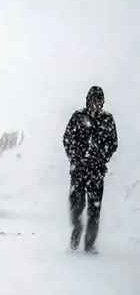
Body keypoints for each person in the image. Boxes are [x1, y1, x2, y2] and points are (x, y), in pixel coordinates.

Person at [62, 86, 118, 254]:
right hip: (78, 171)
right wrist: (74, 158)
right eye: (93, 100)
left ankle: (90, 244)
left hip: (96, 172)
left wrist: (102, 159)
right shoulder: (78, 117)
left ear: (102, 102)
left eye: (98, 100)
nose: (95, 103)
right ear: (87, 100)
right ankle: (76, 234)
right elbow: (67, 139)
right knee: (76, 206)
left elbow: (113, 143)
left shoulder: (107, 120)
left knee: (94, 210)